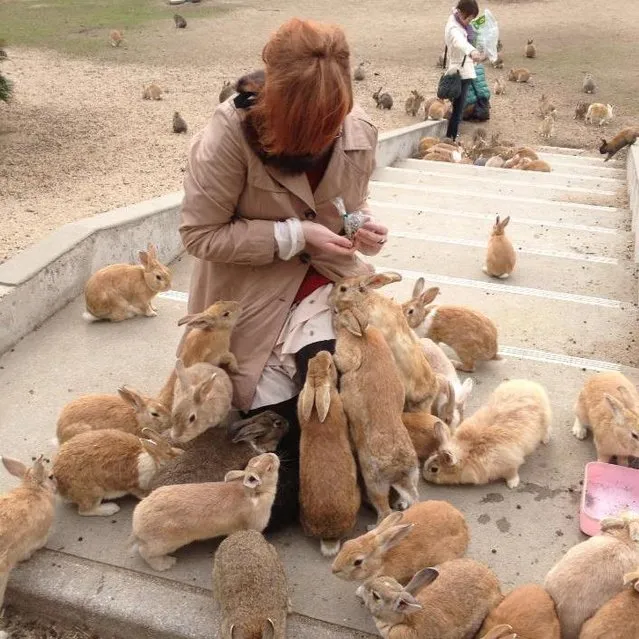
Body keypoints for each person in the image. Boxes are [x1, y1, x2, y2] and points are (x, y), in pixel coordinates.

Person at [178, 18, 388, 528]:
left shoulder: (356, 132)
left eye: (330, 125)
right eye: (310, 127)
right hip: (250, 290)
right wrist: (295, 235)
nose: (325, 135)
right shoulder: (230, 133)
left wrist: (363, 228)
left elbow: (348, 206)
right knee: (276, 489)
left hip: (323, 277)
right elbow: (199, 234)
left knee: (339, 382)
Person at [444, 0, 483, 140]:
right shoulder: (454, 29)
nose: (470, 22)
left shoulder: (457, 21)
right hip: (460, 71)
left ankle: (451, 136)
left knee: (458, 107)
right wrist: (472, 51)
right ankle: (451, 137)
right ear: (462, 13)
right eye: (470, 18)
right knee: (458, 109)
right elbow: (460, 41)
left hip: (463, 68)